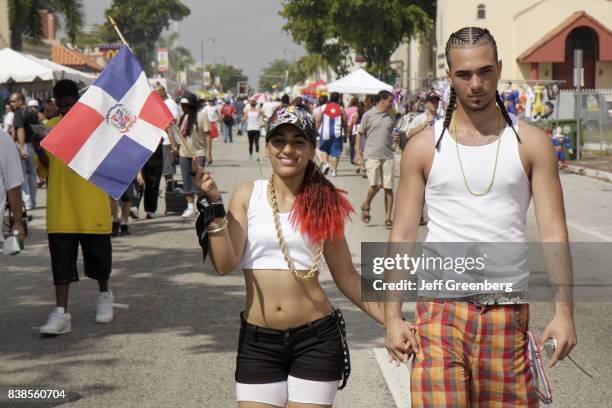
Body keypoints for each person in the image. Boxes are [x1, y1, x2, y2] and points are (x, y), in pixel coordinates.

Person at [385, 27, 576, 407]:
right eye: (464, 74)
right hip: (439, 312)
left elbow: (554, 231)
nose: (476, 84)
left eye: (485, 72)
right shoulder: (422, 147)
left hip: (507, 312)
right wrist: (392, 316)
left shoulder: (532, 144)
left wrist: (564, 311)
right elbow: (403, 233)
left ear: (499, 69)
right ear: (449, 76)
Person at [196, 106, 384, 407]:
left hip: (316, 340)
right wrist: (215, 206)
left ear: (311, 148)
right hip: (258, 344)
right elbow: (224, 264)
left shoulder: (324, 201)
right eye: (279, 140)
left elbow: (347, 276)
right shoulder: (248, 194)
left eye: (299, 141)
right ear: (267, 148)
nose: (288, 149)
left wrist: (394, 320)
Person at [38, 80, 114, 336]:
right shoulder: (49, 128)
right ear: (55, 104)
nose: (65, 112)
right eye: (61, 108)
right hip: (61, 208)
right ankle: (61, 313)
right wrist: (40, 149)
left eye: (70, 106)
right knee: (60, 265)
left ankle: (104, 295)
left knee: (100, 261)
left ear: (78, 101)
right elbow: (44, 168)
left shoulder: (96, 128)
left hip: (92, 205)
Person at [354, 90, 398, 229]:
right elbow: (359, 134)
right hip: (371, 155)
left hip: (388, 156)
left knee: (389, 188)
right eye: (390, 100)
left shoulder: (391, 117)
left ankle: (387, 219)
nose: (392, 103)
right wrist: (357, 153)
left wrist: (395, 141)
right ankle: (366, 204)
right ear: (382, 100)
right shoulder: (368, 115)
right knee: (376, 185)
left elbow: (393, 136)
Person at [178, 94, 212, 218]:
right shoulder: (182, 117)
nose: (183, 107)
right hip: (184, 153)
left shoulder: (202, 115)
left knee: (198, 181)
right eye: (181, 105)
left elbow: (208, 135)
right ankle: (190, 207)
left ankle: (201, 206)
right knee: (186, 180)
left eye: (185, 105)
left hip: (198, 153)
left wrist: (208, 153)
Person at [11, 92, 40, 210]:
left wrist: (21, 147)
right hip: (32, 146)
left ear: (20, 101)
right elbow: (37, 130)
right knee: (32, 174)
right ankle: (32, 202)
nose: (11, 103)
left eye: (13, 101)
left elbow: (20, 130)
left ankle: (27, 202)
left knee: (23, 175)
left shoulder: (18, 113)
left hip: (23, 146)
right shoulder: (32, 112)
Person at [0, 128, 25, 244]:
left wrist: (18, 222)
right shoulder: (3, 138)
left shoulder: (3, 139)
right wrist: (17, 222)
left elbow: (13, 184)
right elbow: (13, 184)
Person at [315, 92, 347, 177]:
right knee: (335, 152)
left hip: (325, 132)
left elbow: (318, 120)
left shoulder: (323, 107)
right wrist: (346, 134)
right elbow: (345, 122)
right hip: (337, 133)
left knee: (324, 149)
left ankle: (326, 164)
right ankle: (334, 171)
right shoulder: (341, 109)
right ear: (338, 99)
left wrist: (315, 130)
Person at [155, 85, 180, 189]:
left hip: (169, 140)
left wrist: (174, 145)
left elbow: (173, 121)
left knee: (168, 169)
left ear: (162, 92)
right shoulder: (163, 103)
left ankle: (170, 189)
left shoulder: (170, 104)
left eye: (156, 93)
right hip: (164, 139)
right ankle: (169, 188)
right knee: (166, 169)